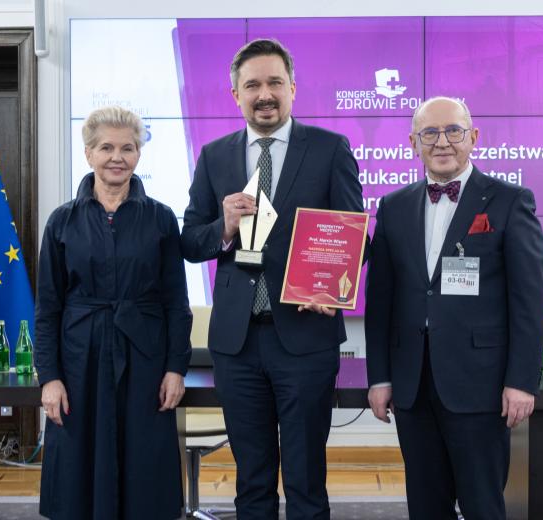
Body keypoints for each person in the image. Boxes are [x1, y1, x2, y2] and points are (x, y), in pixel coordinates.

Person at [180, 39, 363, 519]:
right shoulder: (215, 155)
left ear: (293, 89)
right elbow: (191, 241)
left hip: (305, 337)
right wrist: (222, 226)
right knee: (252, 479)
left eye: (274, 83)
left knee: (305, 479)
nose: (265, 94)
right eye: (253, 85)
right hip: (236, 344)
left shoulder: (329, 150)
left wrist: (332, 289)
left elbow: (353, 234)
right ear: (235, 94)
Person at [365, 97, 543, 520]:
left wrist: (522, 381)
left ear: (474, 137)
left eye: (454, 131)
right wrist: (380, 377)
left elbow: (530, 302)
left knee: (483, 506)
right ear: (413, 143)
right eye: (429, 133)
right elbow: (380, 304)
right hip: (413, 388)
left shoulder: (509, 201)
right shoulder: (393, 207)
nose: (442, 141)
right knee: (426, 508)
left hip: (480, 387)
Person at [34, 106, 192, 520]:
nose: (116, 157)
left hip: (145, 358)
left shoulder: (160, 217)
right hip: (78, 361)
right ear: (88, 153)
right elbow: (47, 308)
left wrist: (176, 367)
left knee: (144, 465)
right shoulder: (61, 222)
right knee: (78, 467)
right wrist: (49, 378)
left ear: (139, 153)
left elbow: (176, 301)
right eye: (106, 147)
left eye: (128, 148)